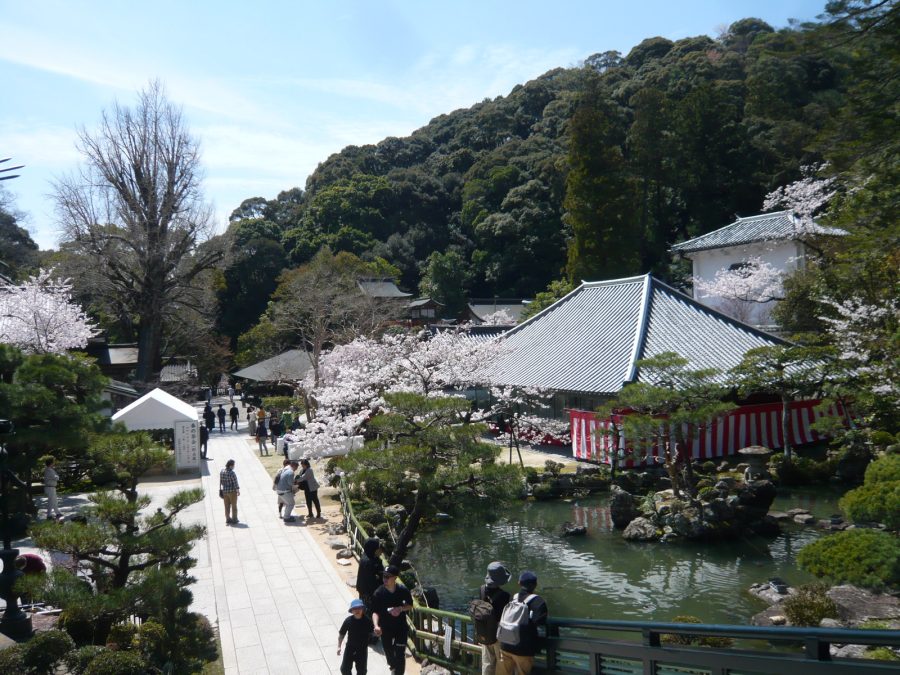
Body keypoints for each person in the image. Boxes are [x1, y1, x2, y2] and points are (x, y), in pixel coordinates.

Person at [497, 571, 548, 675]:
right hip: (523, 649)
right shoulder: (539, 602)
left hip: (506, 643)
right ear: (535, 585)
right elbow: (540, 622)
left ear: (519, 583)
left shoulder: (513, 598)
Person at [372, 565, 413, 675]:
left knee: (400, 653)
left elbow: (410, 605)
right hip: (385, 627)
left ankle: (398, 672)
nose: (384, 579)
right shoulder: (378, 593)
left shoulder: (403, 590)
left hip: (400, 627)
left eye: (388, 576)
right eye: (383, 576)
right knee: (389, 653)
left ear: (395, 578)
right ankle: (393, 667)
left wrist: (400, 609)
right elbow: (375, 612)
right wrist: (376, 625)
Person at [475, 562, 512, 675]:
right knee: (501, 664)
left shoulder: (481, 589)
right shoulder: (505, 596)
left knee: (487, 663)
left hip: (485, 631)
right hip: (499, 633)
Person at [338, 598, 374, 675]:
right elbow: (342, 634)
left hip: (362, 649)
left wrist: (378, 633)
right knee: (344, 669)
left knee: (362, 671)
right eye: (354, 608)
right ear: (351, 610)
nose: (357, 610)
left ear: (363, 609)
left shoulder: (367, 621)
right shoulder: (348, 621)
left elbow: (373, 632)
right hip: (350, 648)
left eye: (359, 608)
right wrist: (339, 646)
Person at [356, 537, 385, 614]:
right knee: (370, 614)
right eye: (378, 548)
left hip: (365, 591)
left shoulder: (368, 557)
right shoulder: (369, 563)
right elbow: (371, 582)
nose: (380, 551)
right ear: (373, 549)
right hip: (368, 594)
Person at [219, 459, 240, 525]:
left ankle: (227, 519)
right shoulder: (232, 473)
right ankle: (234, 519)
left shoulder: (222, 471)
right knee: (234, 506)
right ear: (231, 466)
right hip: (232, 492)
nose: (234, 466)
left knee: (226, 506)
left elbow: (221, 481)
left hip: (225, 491)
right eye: (233, 465)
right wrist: (238, 491)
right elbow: (235, 483)